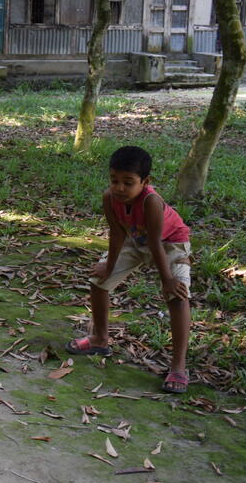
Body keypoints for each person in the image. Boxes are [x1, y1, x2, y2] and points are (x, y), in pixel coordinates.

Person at [69, 145, 193, 394]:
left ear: (145, 181)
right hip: (136, 241)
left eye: (128, 182)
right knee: (97, 281)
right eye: (114, 180)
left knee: (178, 296)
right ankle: (99, 339)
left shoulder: (151, 201)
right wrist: (108, 267)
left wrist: (167, 280)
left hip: (170, 244)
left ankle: (178, 366)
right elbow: (116, 234)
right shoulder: (109, 198)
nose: (120, 188)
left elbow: (157, 243)